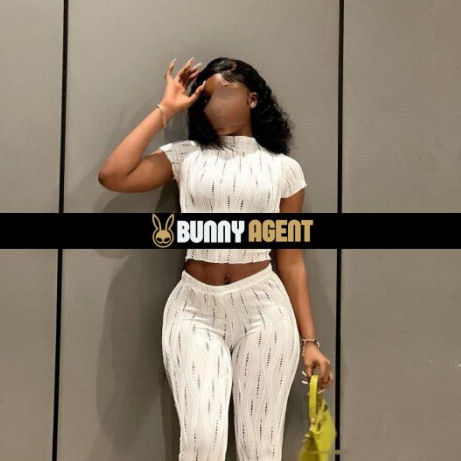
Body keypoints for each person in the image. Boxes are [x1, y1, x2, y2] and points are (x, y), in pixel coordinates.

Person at [98, 56, 334, 461]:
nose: (212, 105)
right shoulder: (186, 156)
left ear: (252, 99)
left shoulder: (284, 170)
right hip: (194, 309)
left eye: (224, 93)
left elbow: (290, 259)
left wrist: (309, 342)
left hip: (264, 309)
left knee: (260, 448)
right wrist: (165, 109)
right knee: (202, 443)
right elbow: (114, 175)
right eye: (204, 98)